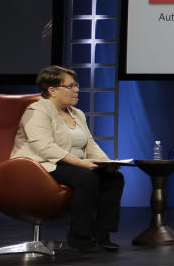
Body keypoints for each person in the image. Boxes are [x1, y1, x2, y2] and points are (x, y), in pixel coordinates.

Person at [9, 66, 124, 253]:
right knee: (87, 178)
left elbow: (89, 144)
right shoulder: (37, 110)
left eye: (76, 85)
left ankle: (102, 234)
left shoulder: (77, 113)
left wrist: (106, 162)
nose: (76, 90)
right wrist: (81, 163)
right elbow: (44, 147)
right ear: (52, 90)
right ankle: (79, 235)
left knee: (113, 178)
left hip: (70, 164)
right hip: (40, 166)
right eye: (70, 86)